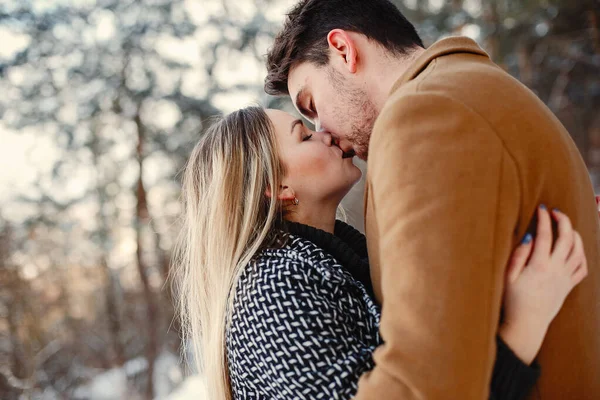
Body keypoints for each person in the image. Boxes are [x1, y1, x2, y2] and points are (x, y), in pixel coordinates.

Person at [264, 1, 600, 398]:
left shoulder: (423, 115)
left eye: (311, 105)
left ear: (343, 50)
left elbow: (423, 384)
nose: (323, 132)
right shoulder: (471, 89)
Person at [172, 106, 588, 400]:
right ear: (279, 189)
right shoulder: (271, 290)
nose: (326, 133)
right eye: (304, 134)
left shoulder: (335, 262)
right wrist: (524, 325)